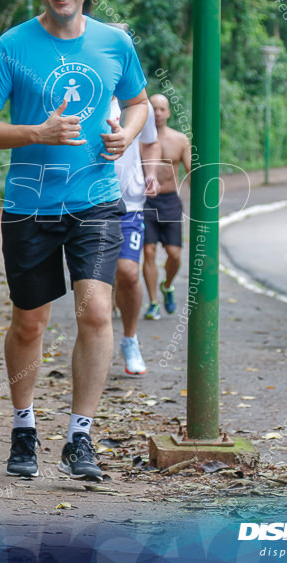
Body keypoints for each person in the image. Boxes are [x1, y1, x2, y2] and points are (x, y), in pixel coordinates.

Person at [0, 0, 150, 480]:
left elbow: (137, 103)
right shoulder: (12, 46)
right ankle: (24, 427)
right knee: (30, 321)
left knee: (95, 310)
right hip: (29, 204)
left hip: (95, 199)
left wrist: (126, 135)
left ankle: (80, 438)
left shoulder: (115, 43)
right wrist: (35, 132)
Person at [110, 94, 160, 375]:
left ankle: (130, 339)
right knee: (94, 284)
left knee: (128, 273)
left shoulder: (139, 103)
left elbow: (150, 142)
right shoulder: (85, 91)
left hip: (129, 203)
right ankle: (96, 346)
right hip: (86, 202)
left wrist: (150, 172)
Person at [142, 95, 191, 320]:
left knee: (174, 254)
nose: (158, 113)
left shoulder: (180, 140)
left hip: (170, 201)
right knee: (149, 251)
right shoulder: (138, 138)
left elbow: (191, 172)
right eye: (154, 109)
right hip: (145, 202)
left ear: (169, 113)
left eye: (162, 109)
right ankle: (153, 302)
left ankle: (167, 285)